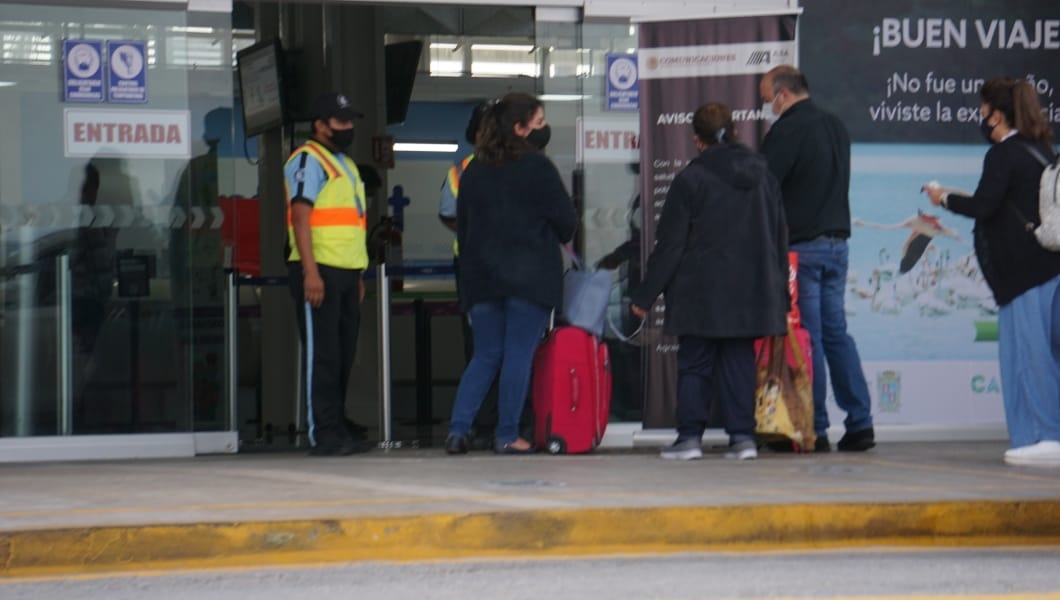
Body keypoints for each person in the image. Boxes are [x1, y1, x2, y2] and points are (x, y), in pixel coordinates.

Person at [630, 102, 789, 461]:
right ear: (735, 131)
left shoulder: (691, 179)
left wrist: (644, 295)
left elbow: (670, 246)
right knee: (738, 363)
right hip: (750, 291)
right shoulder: (764, 175)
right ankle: (743, 439)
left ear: (696, 139)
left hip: (699, 290)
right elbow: (779, 237)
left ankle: (689, 440)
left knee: (695, 365)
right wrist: (780, 294)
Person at [924, 77, 1060, 467]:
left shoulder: (1002, 155)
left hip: (1022, 273)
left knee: (1026, 356)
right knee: (1050, 353)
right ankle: (1049, 433)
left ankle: (1041, 436)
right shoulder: (1040, 149)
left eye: (983, 112)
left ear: (997, 115)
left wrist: (943, 198)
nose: (981, 118)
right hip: (1050, 266)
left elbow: (984, 207)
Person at [444, 92, 577, 455]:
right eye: (539, 122)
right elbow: (567, 224)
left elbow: (464, 229)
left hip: (482, 278)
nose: (544, 128)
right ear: (520, 129)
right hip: (529, 277)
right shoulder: (539, 168)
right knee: (519, 353)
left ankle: (458, 430)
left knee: (485, 354)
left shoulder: (473, 171)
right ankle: (507, 434)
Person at [759, 65, 875, 452]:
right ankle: (860, 423)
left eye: (768, 101)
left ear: (784, 94)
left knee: (809, 339)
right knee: (836, 334)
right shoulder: (836, 126)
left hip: (801, 249)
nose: (769, 110)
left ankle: (815, 427)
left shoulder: (787, 130)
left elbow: (763, 186)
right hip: (837, 246)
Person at [284, 92, 371, 456]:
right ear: (320, 124)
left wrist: (359, 274)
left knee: (343, 353)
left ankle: (337, 421)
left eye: (351, 121)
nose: (348, 127)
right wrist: (310, 273)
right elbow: (301, 219)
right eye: (340, 121)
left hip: (348, 270)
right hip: (319, 270)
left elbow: (352, 223)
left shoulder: (344, 163)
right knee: (324, 354)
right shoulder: (307, 160)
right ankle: (324, 431)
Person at [438, 100, 505, 449]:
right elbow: (447, 213)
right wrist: (474, 232)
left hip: (504, 265)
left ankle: (503, 422)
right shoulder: (461, 170)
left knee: (505, 347)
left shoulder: (515, 165)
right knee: (480, 346)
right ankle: (484, 421)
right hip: (471, 266)